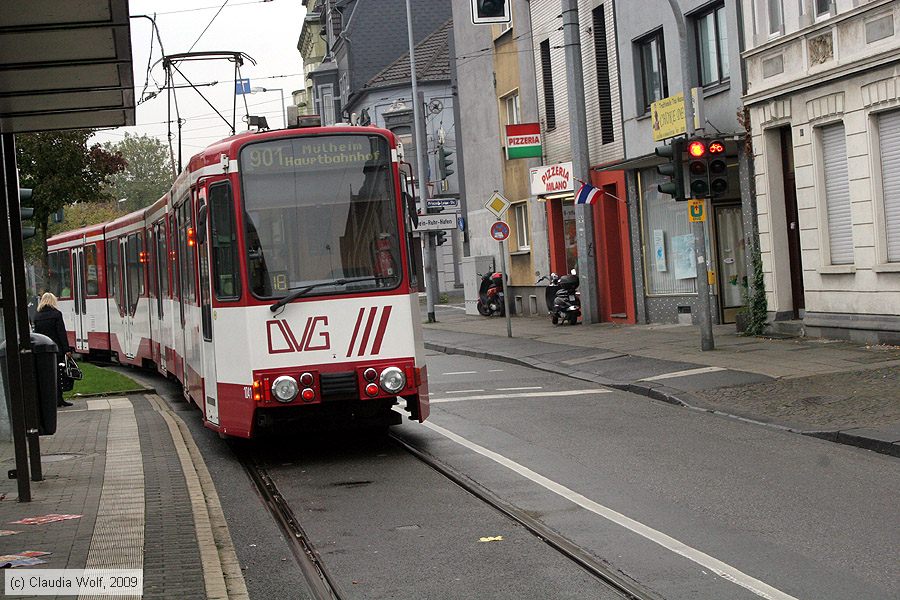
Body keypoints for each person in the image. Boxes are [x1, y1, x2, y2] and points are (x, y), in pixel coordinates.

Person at [32, 292, 73, 407]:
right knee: (58, 374)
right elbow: (61, 333)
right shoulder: (56, 314)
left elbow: (36, 334)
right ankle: (59, 399)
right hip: (56, 349)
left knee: (46, 376)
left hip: (43, 350)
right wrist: (67, 349)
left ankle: (48, 400)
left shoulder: (37, 316)